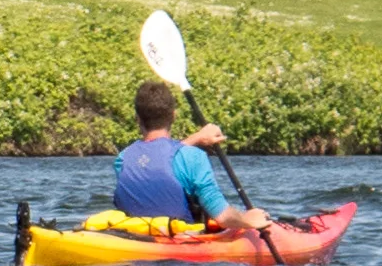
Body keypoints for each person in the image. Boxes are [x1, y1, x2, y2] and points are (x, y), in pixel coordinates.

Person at [112, 80, 272, 233]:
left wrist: (197, 138)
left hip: (136, 240)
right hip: (182, 248)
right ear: (173, 115)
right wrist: (249, 220)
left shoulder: (123, 159)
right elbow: (223, 217)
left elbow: (158, 158)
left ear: (137, 118)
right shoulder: (193, 158)